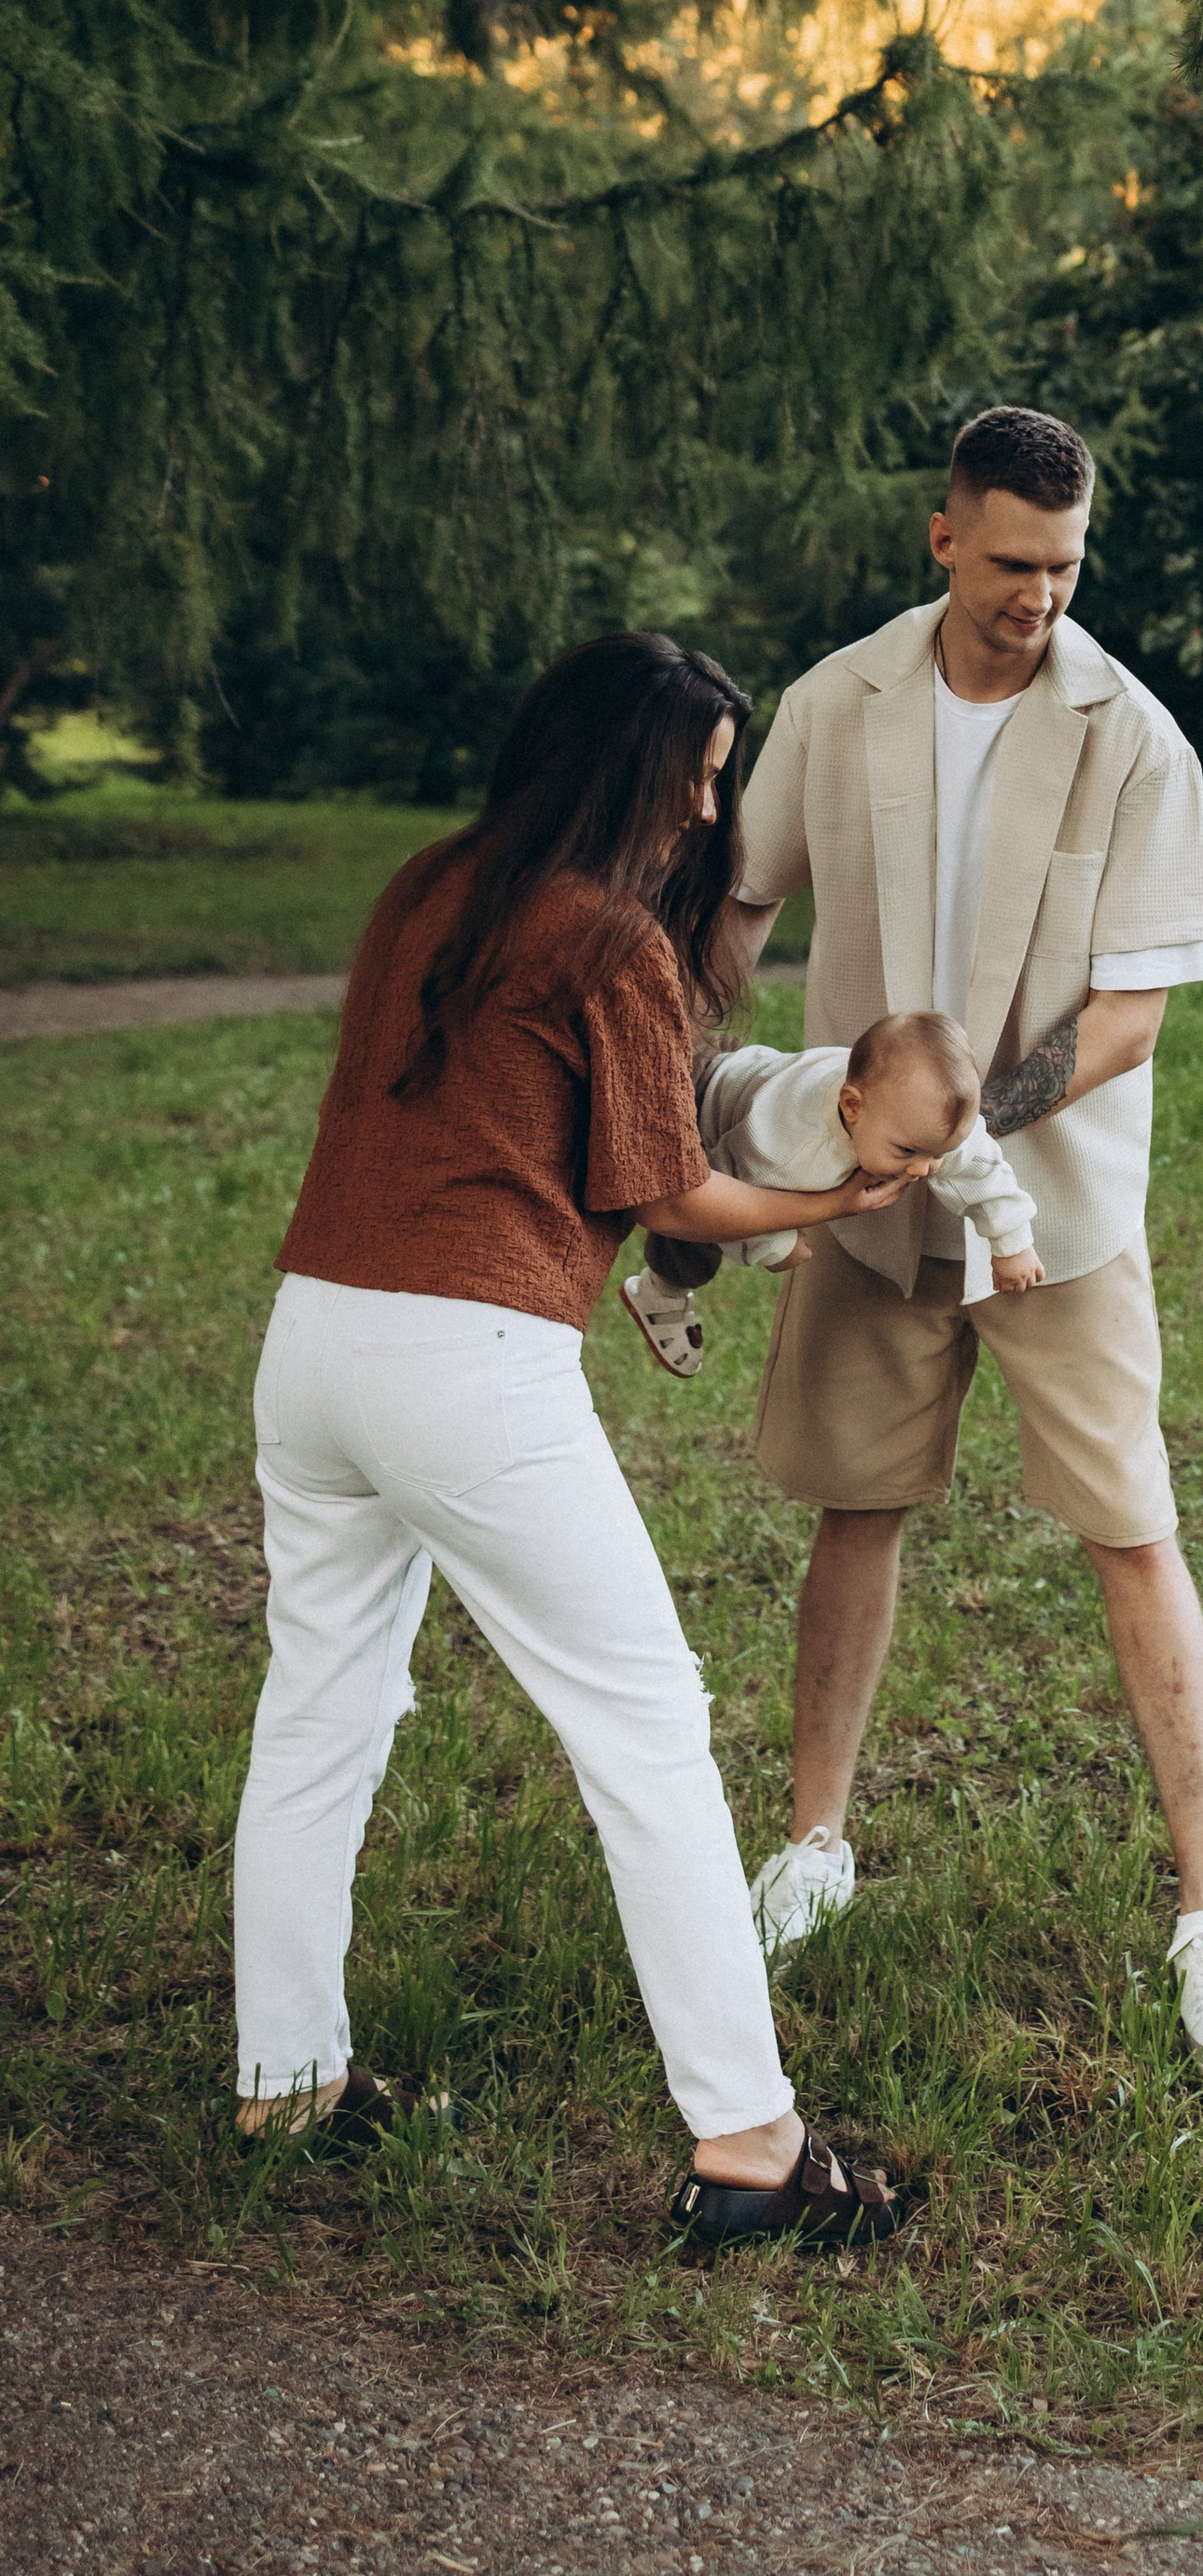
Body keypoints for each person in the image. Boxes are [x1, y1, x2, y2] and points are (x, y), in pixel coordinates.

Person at [232, 629, 910, 2253]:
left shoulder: (426, 886)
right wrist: (836, 1197)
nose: (708, 801)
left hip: (315, 1338)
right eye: (700, 767)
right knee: (650, 1734)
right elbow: (665, 1190)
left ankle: (285, 2078)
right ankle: (750, 2149)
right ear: (633, 762)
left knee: (322, 1702)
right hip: (468, 1364)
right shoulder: (604, 939)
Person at [721, 404, 1203, 2080]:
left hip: (1062, 1217)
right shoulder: (839, 698)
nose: (1039, 593)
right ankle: (815, 1846)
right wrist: (717, 1078)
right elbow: (743, 899)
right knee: (856, 1507)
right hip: (857, 1208)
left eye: (1066, 564)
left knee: (1136, 1530)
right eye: (1013, 558)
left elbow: (1129, 1020)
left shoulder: (1138, 739)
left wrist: (963, 1132)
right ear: (943, 533)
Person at [619, 1010, 1042, 1380]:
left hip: (754, 1080)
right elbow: (724, 1191)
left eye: (939, 1153)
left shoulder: (913, 1118)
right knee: (695, 1230)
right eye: (908, 1152)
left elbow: (981, 1165)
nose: (922, 1169)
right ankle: (660, 1289)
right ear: (852, 1106)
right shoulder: (787, 1148)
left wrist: (1012, 1244)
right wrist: (774, 1244)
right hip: (700, 1104)